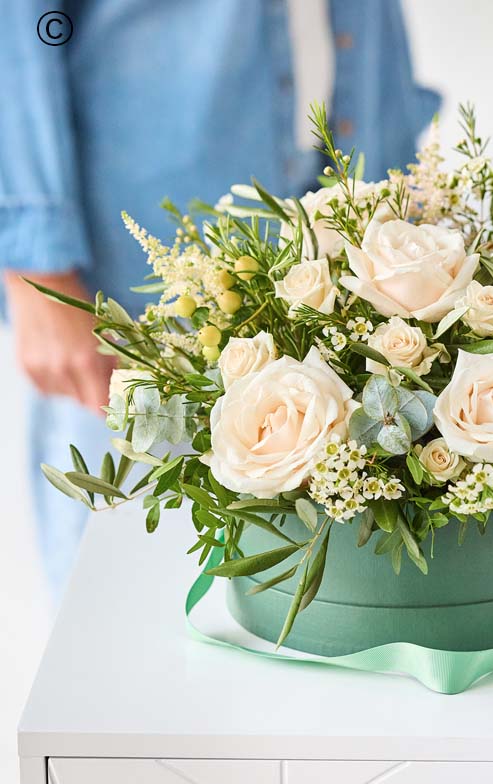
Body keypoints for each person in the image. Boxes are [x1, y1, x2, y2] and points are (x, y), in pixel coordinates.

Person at [0, 0, 438, 601]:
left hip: (337, 238)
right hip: (137, 279)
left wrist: (401, 217)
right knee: (123, 603)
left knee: (307, 606)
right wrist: (33, 264)